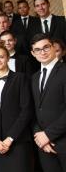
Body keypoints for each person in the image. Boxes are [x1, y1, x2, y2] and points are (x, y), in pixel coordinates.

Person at [0, 41, 33, 172]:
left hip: (18, 141)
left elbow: (26, 111)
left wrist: (10, 138)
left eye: (1, 57)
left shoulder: (20, 78)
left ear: (8, 58)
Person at [30, 33, 66, 172]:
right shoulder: (34, 77)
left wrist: (48, 135)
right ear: (33, 53)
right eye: (38, 50)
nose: (42, 52)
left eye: (46, 47)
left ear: (53, 48)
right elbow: (34, 110)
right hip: (44, 146)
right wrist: (40, 136)